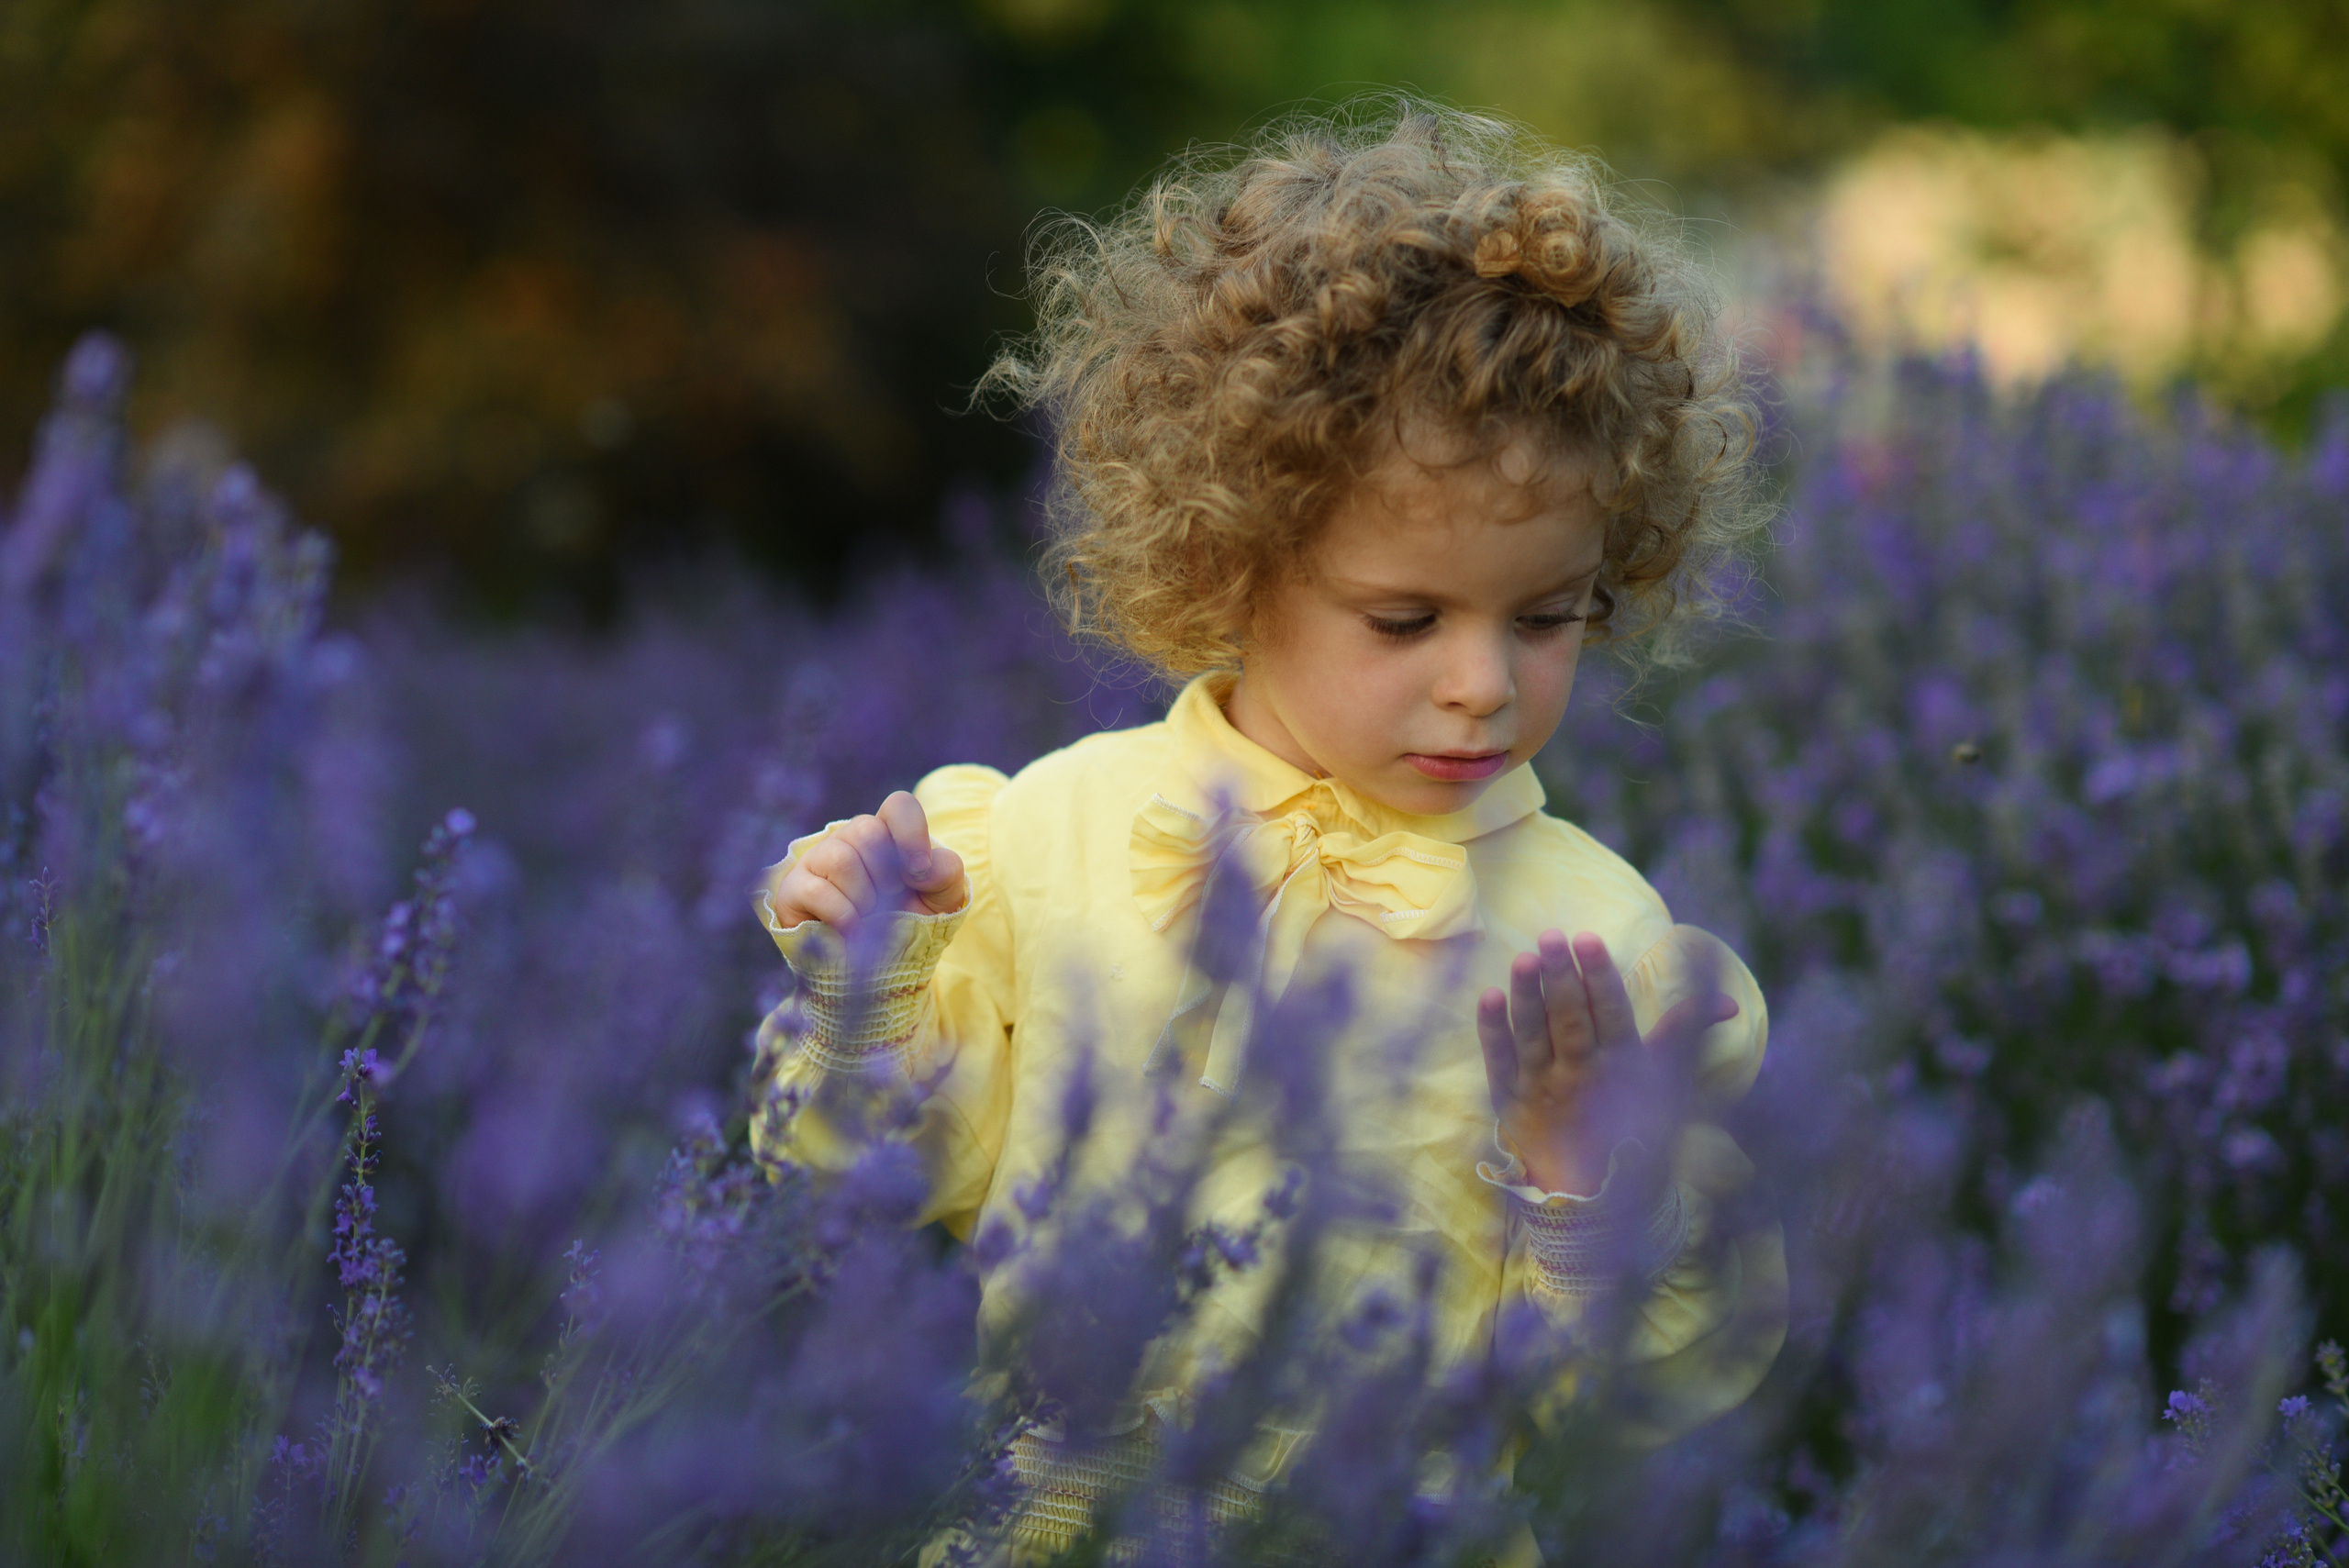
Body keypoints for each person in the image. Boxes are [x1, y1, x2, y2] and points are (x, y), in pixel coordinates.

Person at [749, 100, 1786, 1562]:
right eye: (1405, 619)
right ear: (1232, 561)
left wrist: (1581, 1185)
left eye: (1547, 617)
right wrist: (870, 985)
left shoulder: (1593, 947)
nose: (1482, 683)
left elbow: (1628, 1399)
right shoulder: (1053, 831)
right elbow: (866, 1178)